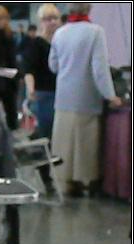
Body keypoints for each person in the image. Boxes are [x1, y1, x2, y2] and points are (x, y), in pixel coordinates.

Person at [49, 3, 122, 198]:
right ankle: (84, 180)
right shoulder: (95, 32)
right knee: (84, 144)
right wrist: (110, 96)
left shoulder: (60, 33)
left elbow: (53, 65)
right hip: (86, 98)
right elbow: (100, 69)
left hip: (63, 97)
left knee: (64, 142)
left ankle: (67, 182)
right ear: (88, 10)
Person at [23, 4, 62, 140]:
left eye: (55, 18)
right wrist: (31, 89)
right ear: (41, 22)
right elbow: (29, 70)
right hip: (43, 92)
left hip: (61, 92)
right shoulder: (36, 43)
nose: (52, 22)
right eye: (48, 19)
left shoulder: (62, 42)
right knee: (47, 130)